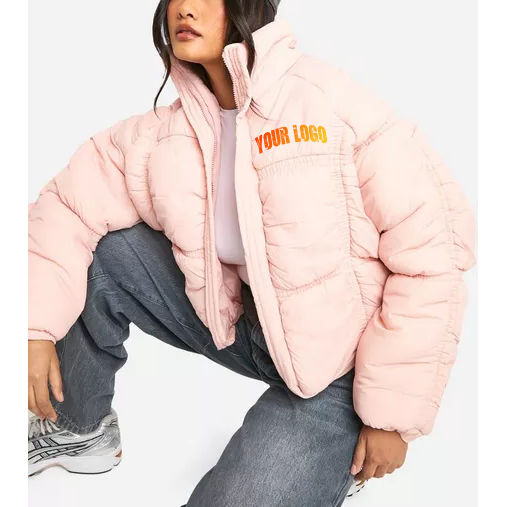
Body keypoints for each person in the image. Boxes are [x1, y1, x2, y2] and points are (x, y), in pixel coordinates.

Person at [27, 1, 476, 505]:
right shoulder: (169, 132)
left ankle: (329, 459)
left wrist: (389, 417)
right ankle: (76, 428)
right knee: (102, 252)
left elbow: (434, 255)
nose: (185, 8)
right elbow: (66, 205)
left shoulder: (331, 107)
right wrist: (35, 329)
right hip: (249, 327)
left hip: (342, 370)